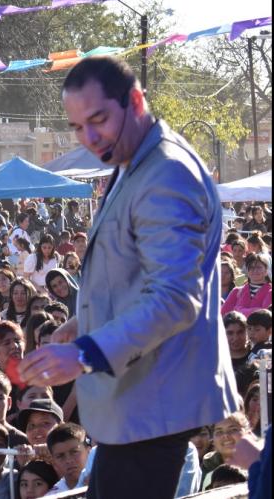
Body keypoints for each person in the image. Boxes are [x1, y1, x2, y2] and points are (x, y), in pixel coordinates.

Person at [19, 56, 239, 498]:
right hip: (138, 403)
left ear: (136, 101)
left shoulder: (166, 173)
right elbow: (137, 278)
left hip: (154, 402)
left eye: (98, 119)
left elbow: (176, 298)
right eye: (78, 127)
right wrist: (84, 323)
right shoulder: (133, 163)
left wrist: (85, 353)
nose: (90, 137)